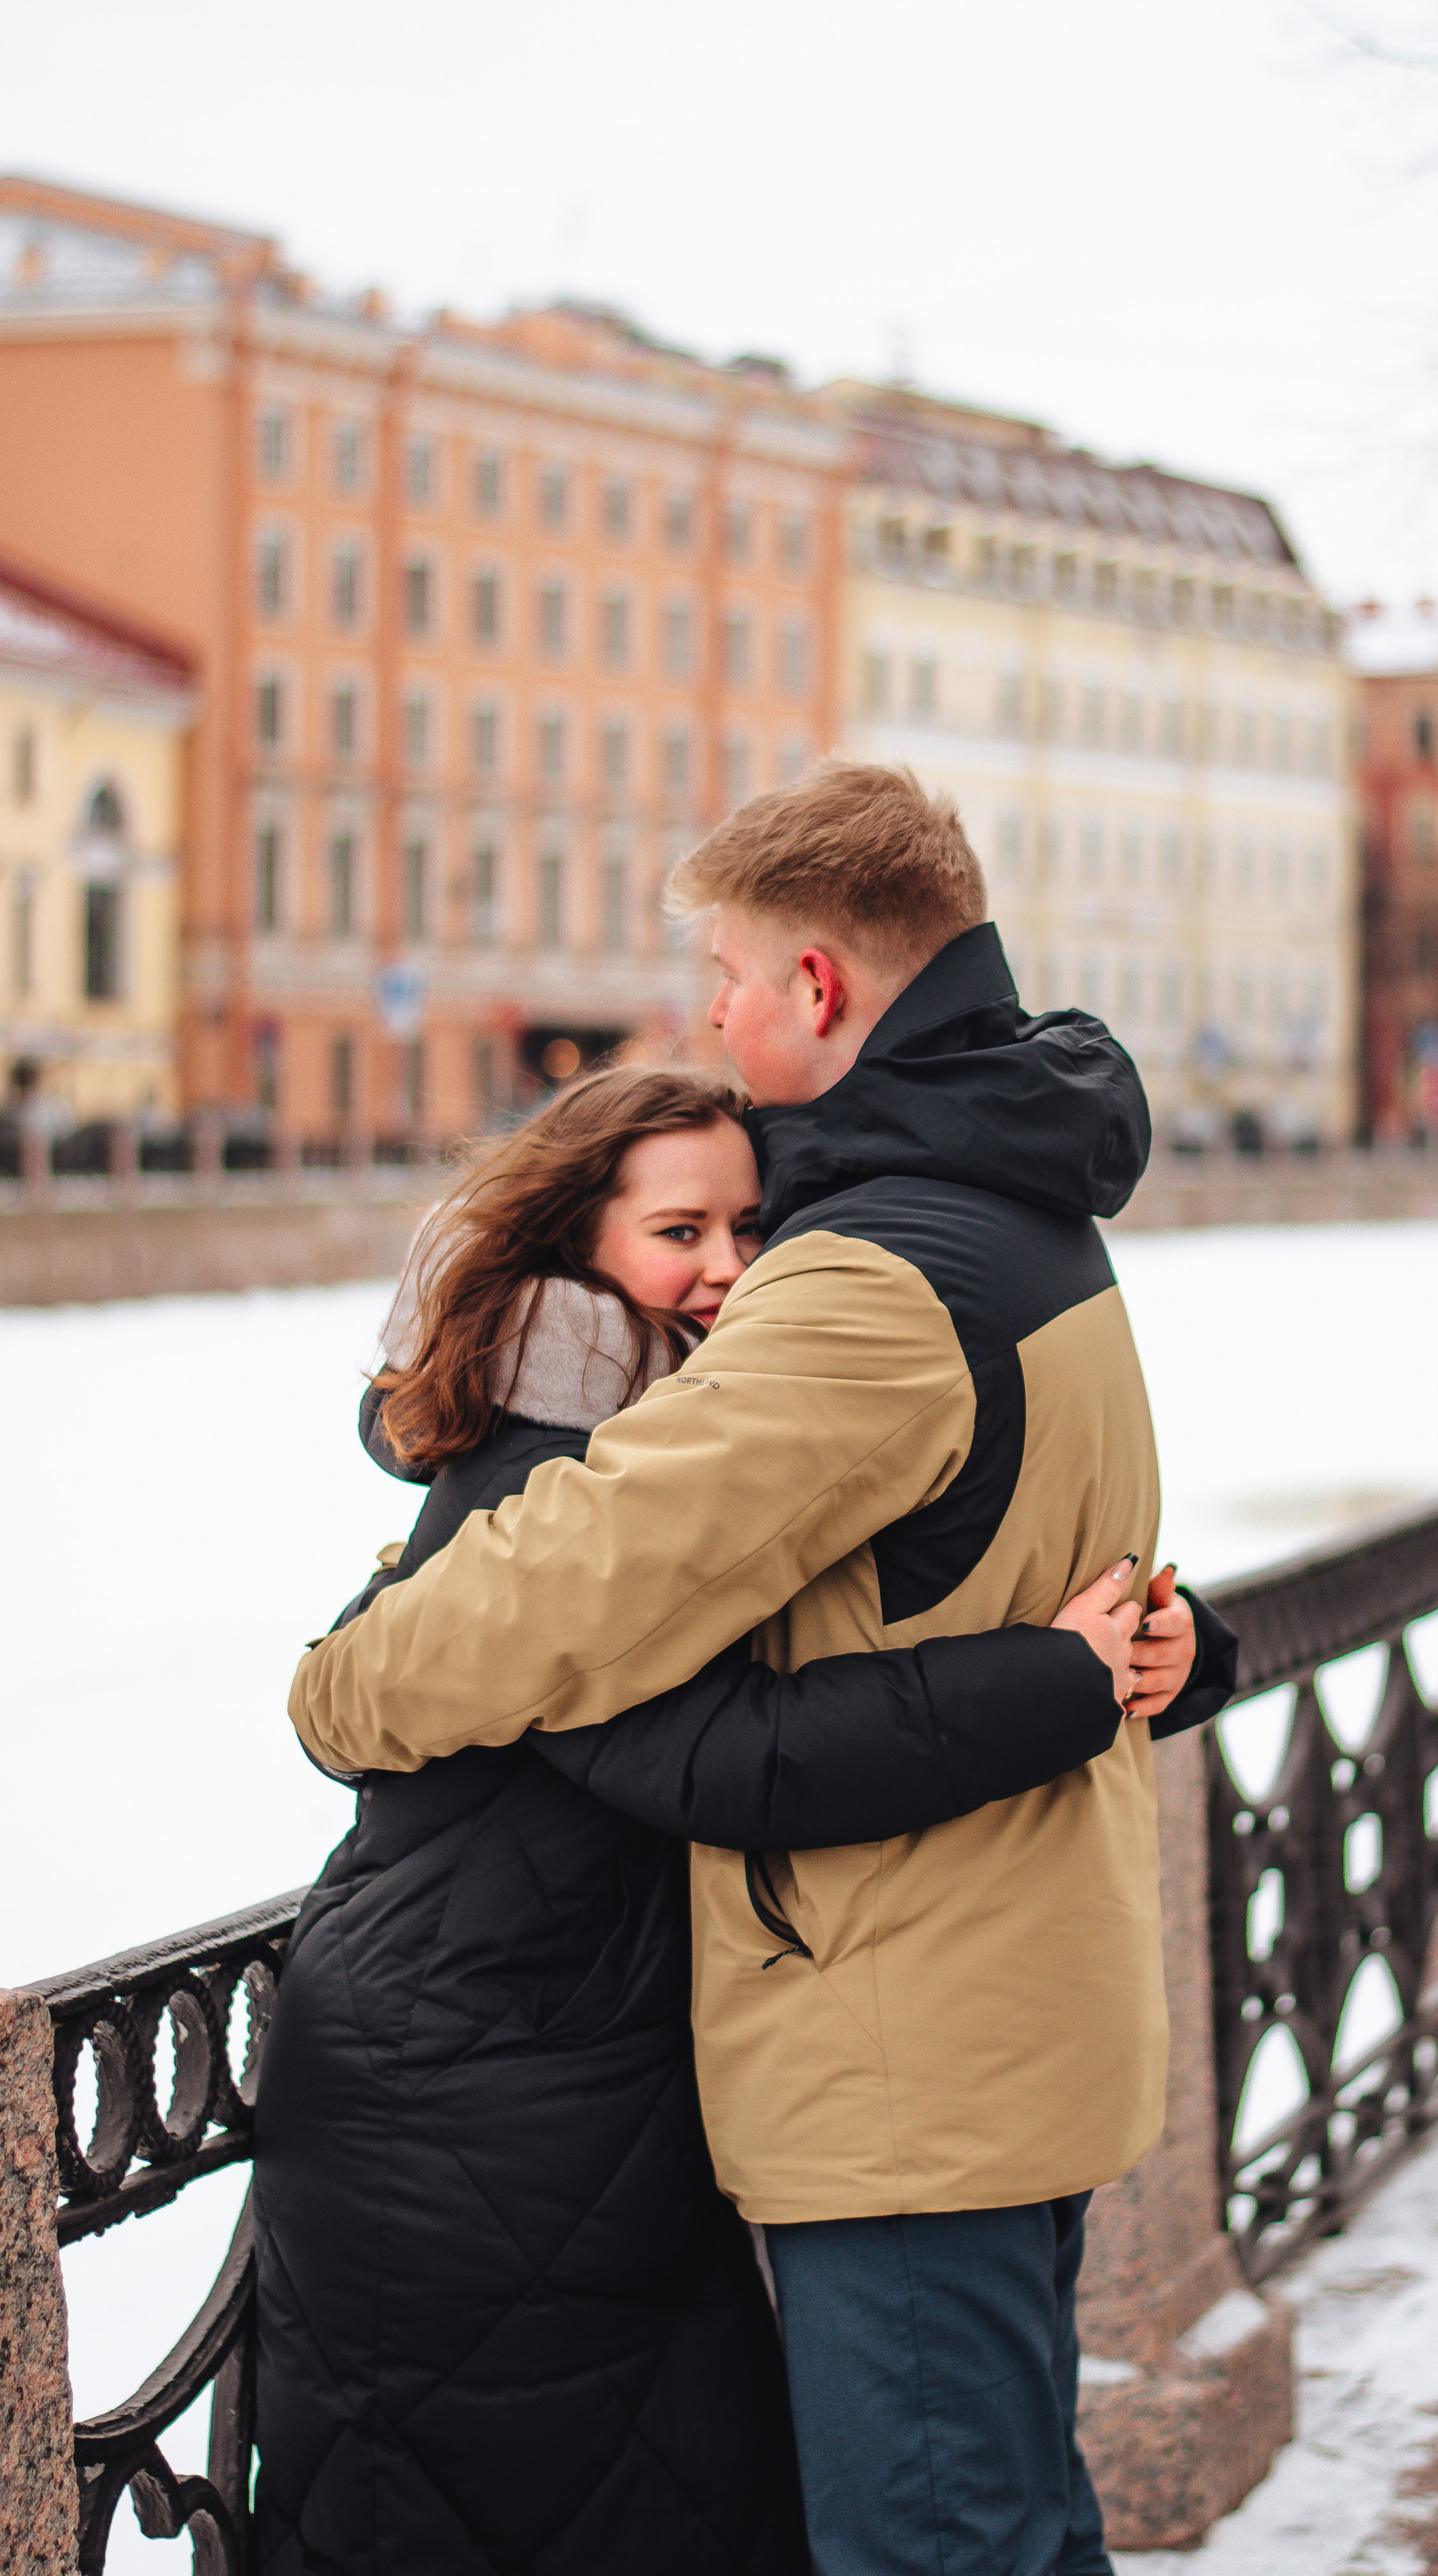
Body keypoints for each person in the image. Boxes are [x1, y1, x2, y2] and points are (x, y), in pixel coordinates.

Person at [287, 760, 1239, 2576]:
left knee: (940, 2547)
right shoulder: (1030, 1209)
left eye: (725, 971)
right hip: (1000, 2006)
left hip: (903, 2055)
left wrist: (345, 1686)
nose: (707, 1011)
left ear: (816, 988)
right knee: (1011, 2523)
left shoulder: (874, 1276)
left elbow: (579, 1583)